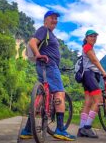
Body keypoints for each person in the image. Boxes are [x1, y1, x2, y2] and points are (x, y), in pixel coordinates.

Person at [20, 10, 76, 141]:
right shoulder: (43, 30)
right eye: (52, 17)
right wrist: (38, 55)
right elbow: (32, 42)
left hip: (47, 66)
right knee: (59, 93)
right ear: (45, 19)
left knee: (41, 96)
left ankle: (28, 130)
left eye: (56, 18)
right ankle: (60, 129)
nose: (55, 20)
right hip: (48, 66)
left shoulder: (50, 34)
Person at [77, 30, 106, 138]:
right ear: (86, 38)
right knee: (99, 100)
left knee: (88, 103)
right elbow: (95, 61)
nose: (93, 38)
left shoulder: (88, 48)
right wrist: (104, 72)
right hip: (89, 75)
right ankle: (87, 128)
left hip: (87, 76)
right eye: (91, 36)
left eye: (95, 36)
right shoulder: (87, 47)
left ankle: (81, 129)